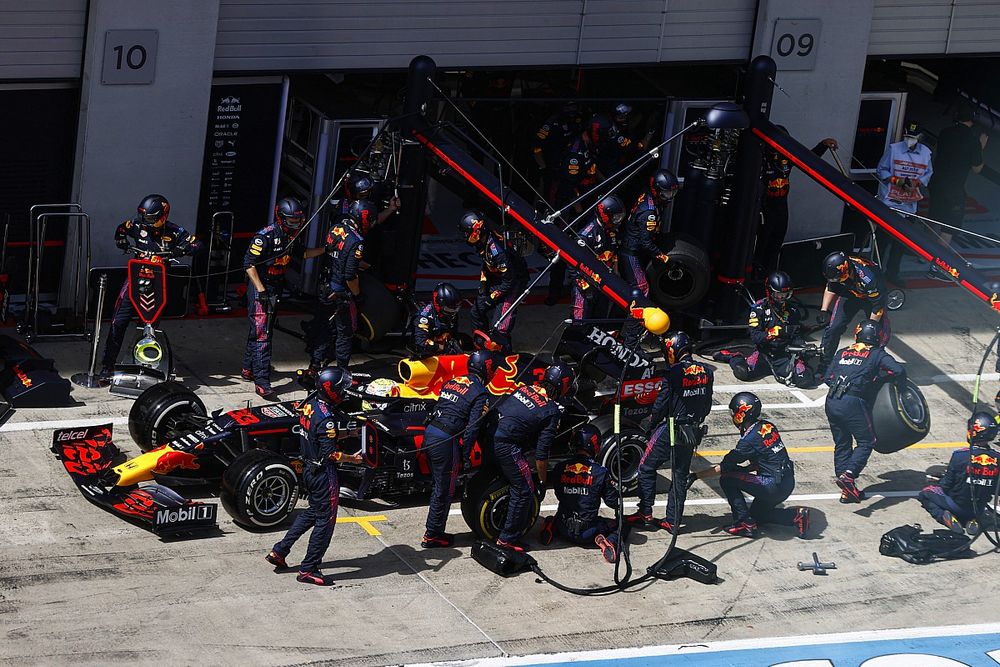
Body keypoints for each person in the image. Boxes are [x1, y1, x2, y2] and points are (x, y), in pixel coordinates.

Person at [265, 367, 361, 586]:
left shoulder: (311, 404)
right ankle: (308, 569)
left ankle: (279, 550)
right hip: (324, 474)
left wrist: (348, 433)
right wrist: (353, 459)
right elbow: (331, 454)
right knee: (325, 522)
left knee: (312, 512)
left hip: (309, 470)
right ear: (333, 390)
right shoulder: (328, 420)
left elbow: (317, 435)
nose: (344, 392)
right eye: (342, 389)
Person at [100, 194, 202, 378]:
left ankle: (144, 367)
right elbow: (121, 229)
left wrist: (181, 250)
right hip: (134, 280)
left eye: (150, 218)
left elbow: (197, 245)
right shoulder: (137, 225)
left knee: (149, 325)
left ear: (163, 216)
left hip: (157, 284)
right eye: (144, 216)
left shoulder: (175, 231)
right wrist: (121, 241)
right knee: (118, 321)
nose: (145, 221)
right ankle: (108, 365)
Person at [626, 330, 713, 533]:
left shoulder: (673, 373)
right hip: (692, 431)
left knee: (646, 467)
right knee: (680, 475)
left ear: (673, 350)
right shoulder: (707, 371)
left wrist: (650, 424)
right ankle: (673, 521)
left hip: (672, 428)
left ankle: (645, 513)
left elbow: (661, 406)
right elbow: (707, 406)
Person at [690, 392, 810, 538]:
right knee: (757, 516)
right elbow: (765, 459)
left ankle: (743, 524)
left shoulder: (748, 441)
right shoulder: (768, 426)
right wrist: (746, 469)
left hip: (772, 486)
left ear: (742, 414)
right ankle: (797, 515)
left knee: (727, 479)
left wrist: (695, 476)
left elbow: (723, 467)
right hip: (787, 482)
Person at [243, 197, 325, 398]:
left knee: (261, 330)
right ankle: (262, 382)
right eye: (291, 221)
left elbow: (303, 254)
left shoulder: (291, 236)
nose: (295, 224)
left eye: (298, 220)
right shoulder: (265, 236)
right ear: (281, 218)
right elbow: (248, 264)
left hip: (276, 287)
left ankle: (248, 368)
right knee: (263, 335)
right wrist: (261, 290)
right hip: (261, 289)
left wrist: (327, 249)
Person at [492, 363, 573, 552]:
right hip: (506, 445)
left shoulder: (525, 388)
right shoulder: (551, 411)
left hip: (490, 435)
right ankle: (507, 540)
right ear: (563, 385)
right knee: (524, 490)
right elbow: (541, 455)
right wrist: (543, 481)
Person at [421, 350, 497, 547]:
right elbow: (472, 428)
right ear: (486, 368)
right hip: (446, 440)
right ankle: (433, 534)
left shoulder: (452, 382)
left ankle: (434, 530)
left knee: (438, 486)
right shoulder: (480, 393)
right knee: (445, 489)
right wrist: (466, 455)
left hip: (429, 434)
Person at [823, 320, 906, 502]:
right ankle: (849, 475)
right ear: (878, 336)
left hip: (832, 401)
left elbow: (827, 378)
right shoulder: (876, 354)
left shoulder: (842, 352)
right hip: (852, 403)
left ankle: (847, 491)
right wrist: (883, 383)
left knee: (842, 443)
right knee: (867, 442)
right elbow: (899, 371)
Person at [305, 199, 374, 374]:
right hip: (340, 294)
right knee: (346, 332)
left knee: (323, 327)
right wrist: (358, 295)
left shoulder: (336, 227)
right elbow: (350, 276)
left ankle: (314, 365)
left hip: (325, 286)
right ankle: (342, 371)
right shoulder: (357, 241)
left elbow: (336, 254)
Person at [754, 132, 837, 276]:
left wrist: (823, 145)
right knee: (762, 242)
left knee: (777, 240)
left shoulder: (787, 156)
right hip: (764, 207)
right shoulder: (761, 157)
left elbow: (807, 160)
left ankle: (769, 274)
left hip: (781, 206)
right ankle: (756, 273)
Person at [539, 423, 622, 563]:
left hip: (564, 528)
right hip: (588, 533)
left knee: (554, 517)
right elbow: (613, 503)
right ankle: (609, 541)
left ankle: (551, 526)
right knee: (623, 524)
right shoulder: (600, 472)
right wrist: (615, 489)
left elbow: (559, 494)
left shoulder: (559, 468)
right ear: (594, 445)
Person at [620, 169, 677, 347]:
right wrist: (663, 257)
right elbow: (646, 242)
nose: (669, 197)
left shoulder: (648, 197)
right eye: (666, 193)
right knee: (641, 292)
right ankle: (631, 341)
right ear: (656, 190)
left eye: (672, 193)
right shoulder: (649, 212)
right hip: (631, 254)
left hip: (633, 251)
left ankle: (625, 333)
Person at [918, 411, 999, 536]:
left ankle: (944, 516)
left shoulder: (960, 455)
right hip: (978, 508)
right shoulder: (997, 458)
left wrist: (939, 480)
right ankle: (974, 519)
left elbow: (946, 485)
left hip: (957, 504)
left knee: (925, 493)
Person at [545, 124, 601, 305]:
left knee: (586, 248)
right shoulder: (575, 154)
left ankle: (580, 285)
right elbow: (569, 187)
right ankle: (554, 292)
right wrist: (579, 211)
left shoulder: (589, 147)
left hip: (586, 204)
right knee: (562, 248)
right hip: (570, 210)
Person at [727, 271, 810, 387]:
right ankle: (735, 356)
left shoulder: (793, 311)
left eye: (785, 294)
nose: (781, 298)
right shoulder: (759, 309)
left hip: (784, 355)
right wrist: (774, 333)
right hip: (763, 354)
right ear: (770, 292)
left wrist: (803, 348)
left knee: (805, 379)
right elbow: (755, 337)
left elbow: (797, 335)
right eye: (778, 294)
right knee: (742, 372)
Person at [459, 211, 528, 350]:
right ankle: (482, 346)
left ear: (477, 231)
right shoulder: (482, 241)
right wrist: (483, 287)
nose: (465, 236)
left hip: (514, 282)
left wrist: (490, 298)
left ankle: (505, 353)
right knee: (476, 312)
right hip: (499, 278)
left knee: (500, 326)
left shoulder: (498, 251)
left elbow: (509, 282)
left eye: (467, 233)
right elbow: (486, 264)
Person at [875, 122, 933, 284]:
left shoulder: (926, 153)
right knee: (881, 242)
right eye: (907, 136)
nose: (909, 140)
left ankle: (892, 274)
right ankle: (875, 274)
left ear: (919, 138)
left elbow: (928, 173)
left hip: (909, 205)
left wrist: (916, 183)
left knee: (901, 243)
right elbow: (881, 170)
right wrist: (898, 181)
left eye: (912, 137)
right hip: (889, 203)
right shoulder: (894, 149)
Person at [817, 251, 890, 375]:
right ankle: (825, 365)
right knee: (833, 328)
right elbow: (831, 287)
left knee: (877, 333)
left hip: (872, 300)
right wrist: (824, 310)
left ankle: (874, 365)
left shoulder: (869, 278)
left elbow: (878, 307)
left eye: (837, 279)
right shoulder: (837, 272)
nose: (835, 281)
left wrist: (870, 327)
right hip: (850, 294)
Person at [929, 106, 988, 248]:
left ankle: (923, 252)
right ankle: (936, 258)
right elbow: (977, 168)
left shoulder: (945, 133)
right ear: (972, 120)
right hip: (954, 189)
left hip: (936, 183)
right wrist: (980, 147)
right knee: (948, 228)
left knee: (933, 220)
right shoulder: (973, 140)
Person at [571, 194, 625, 322]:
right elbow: (573, 264)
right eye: (616, 217)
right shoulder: (586, 236)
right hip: (585, 286)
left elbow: (614, 254)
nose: (618, 220)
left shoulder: (612, 231)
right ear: (605, 215)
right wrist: (585, 287)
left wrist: (616, 274)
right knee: (580, 321)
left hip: (604, 284)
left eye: (620, 217)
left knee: (600, 319)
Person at [531, 101, 584, 202]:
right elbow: (536, 147)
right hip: (552, 166)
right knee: (550, 194)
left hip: (570, 164)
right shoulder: (551, 123)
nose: (571, 110)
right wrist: (543, 166)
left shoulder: (577, 120)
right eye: (568, 107)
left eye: (574, 106)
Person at [412, 282, 462, 359]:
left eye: (456, 308)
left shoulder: (452, 314)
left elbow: (454, 333)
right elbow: (421, 343)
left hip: (442, 343)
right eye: (449, 308)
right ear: (438, 304)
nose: (453, 311)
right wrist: (443, 348)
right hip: (425, 353)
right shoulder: (424, 318)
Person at [335, 171, 401, 224]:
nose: (366, 196)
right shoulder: (344, 211)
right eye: (362, 195)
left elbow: (375, 220)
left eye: (368, 192)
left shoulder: (369, 200)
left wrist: (391, 208)